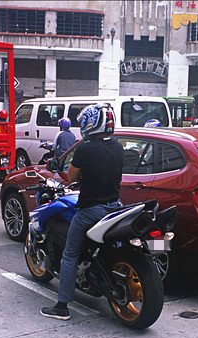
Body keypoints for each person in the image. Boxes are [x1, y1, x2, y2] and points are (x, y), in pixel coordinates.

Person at [40, 104, 124, 320]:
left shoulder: (85, 148)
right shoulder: (117, 146)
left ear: (91, 123)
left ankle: (61, 307)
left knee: (70, 255)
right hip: (115, 206)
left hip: (90, 211)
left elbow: (71, 177)